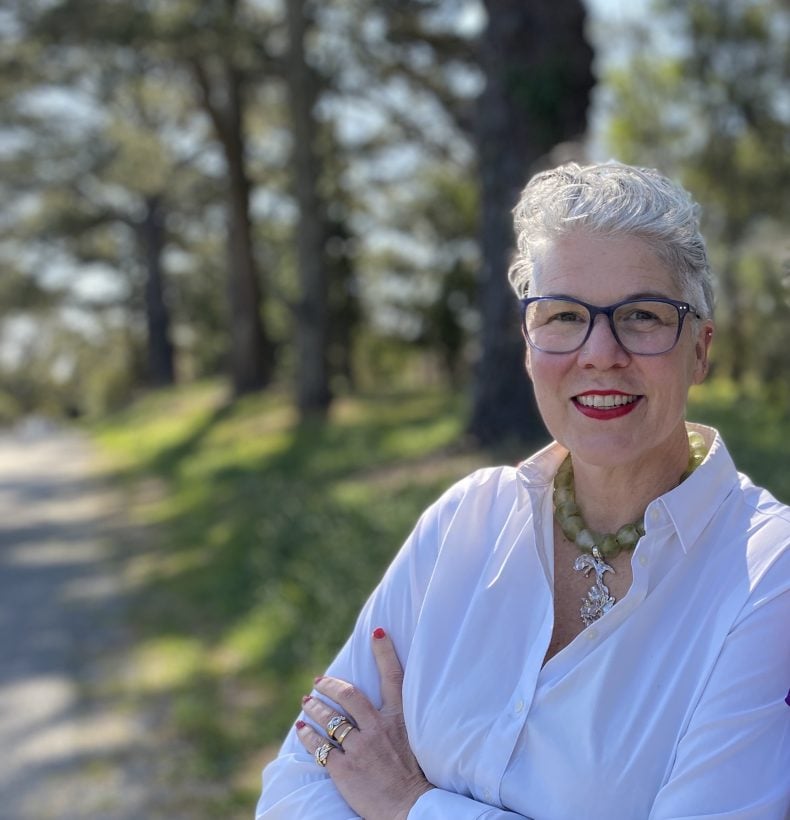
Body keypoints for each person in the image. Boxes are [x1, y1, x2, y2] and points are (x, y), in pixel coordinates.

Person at [256, 162, 790, 819]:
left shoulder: (770, 572)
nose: (599, 352)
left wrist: (405, 802)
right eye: (565, 315)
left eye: (643, 316)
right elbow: (296, 785)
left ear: (701, 349)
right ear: (529, 343)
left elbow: (367, 787)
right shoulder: (468, 518)